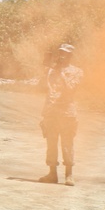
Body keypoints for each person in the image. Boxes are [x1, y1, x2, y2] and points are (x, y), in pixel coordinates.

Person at [39, 43, 83, 186]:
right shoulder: (52, 71)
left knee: (67, 144)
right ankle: (52, 174)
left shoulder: (77, 72)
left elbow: (71, 88)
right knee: (51, 143)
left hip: (67, 113)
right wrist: (47, 69)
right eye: (60, 53)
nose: (61, 56)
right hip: (52, 111)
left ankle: (69, 175)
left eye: (64, 54)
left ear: (70, 55)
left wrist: (62, 73)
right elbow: (45, 88)